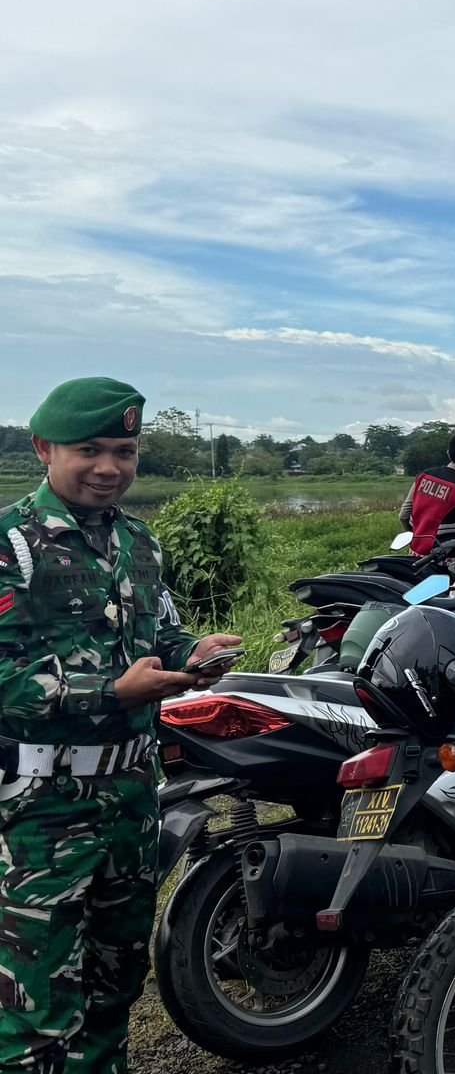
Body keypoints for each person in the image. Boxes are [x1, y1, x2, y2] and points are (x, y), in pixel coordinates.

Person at [0, 377, 242, 1073]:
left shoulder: (140, 543)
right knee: (36, 1010)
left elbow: (159, 633)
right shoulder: (12, 543)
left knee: (113, 988)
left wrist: (190, 652)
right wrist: (107, 689)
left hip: (131, 801)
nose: (109, 467)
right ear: (45, 448)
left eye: (125, 451)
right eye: (90, 450)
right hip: (40, 814)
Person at [399, 431, 455, 556]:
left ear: (448, 453)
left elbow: (403, 516)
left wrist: (417, 538)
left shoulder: (424, 476)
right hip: (449, 564)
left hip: (415, 559)